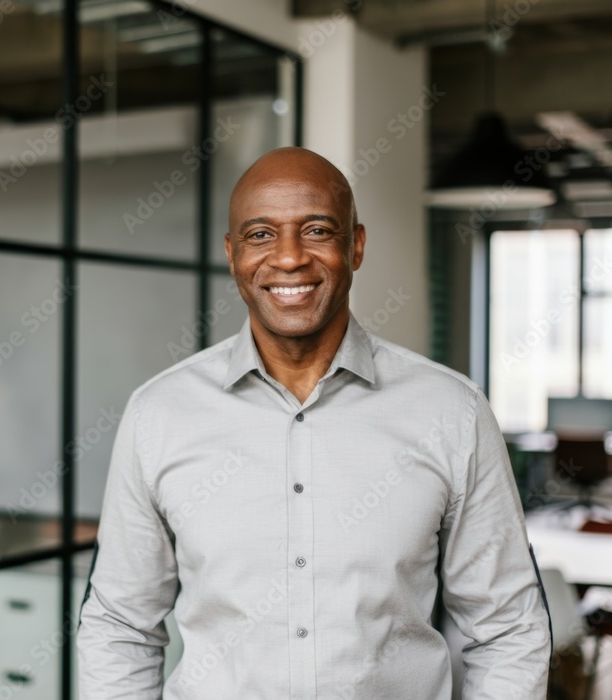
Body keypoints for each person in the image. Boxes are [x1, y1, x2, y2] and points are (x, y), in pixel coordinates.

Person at [75, 147, 551, 698]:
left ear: (357, 246)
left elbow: (510, 628)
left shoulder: (452, 411)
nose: (289, 258)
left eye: (318, 230)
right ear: (232, 255)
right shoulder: (159, 413)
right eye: (260, 235)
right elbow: (120, 626)